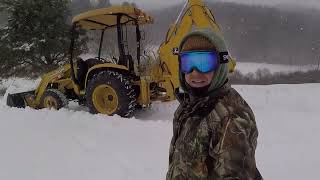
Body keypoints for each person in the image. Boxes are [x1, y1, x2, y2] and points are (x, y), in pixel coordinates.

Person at [166, 29, 263, 180]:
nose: (195, 72)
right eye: (188, 63)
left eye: (204, 63)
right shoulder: (189, 106)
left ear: (221, 65)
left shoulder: (230, 118)